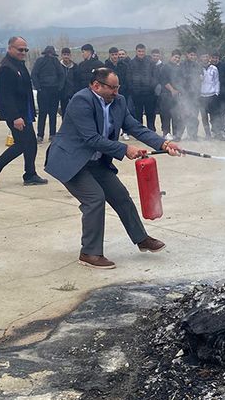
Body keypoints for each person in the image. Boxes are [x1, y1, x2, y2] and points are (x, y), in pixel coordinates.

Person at [44, 67, 182, 269]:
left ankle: (141, 238)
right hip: (71, 161)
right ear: (96, 85)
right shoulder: (81, 101)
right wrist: (124, 148)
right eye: (112, 88)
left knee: (121, 196)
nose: (116, 92)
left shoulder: (119, 101)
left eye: (118, 87)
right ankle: (89, 253)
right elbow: (91, 138)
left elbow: (135, 127)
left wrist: (163, 145)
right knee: (94, 199)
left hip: (96, 162)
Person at [0, 36, 48, 188]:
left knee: (31, 144)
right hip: (16, 114)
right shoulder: (6, 68)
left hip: (25, 112)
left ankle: (30, 175)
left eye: (25, 50)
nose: (23, 52)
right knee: (22, 144)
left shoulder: (19, 65)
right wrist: (15, 116)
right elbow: (6, 95)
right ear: (10, 48)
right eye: (20, 49)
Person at [32, 45, 65, 142]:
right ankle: (40, 135)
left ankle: (52, 134)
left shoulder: (56, 62)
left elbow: (61, 75)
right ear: (45, 53)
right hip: (43, 90)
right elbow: (34, 74)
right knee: (42, 114)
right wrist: (38, 87)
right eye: (48, 53)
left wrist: (59, 87)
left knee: (53, 114)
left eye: (51, 53)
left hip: (54, 91)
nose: (50, 55)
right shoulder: (40, 61)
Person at [127, 43, 158, 131]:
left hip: (149, 93)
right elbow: (128, 78)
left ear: (145, 52)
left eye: (143, 51)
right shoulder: (131, 63)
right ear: (136, 52)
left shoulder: (151, 63)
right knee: (138, 114)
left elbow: (155, 76)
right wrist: (133, 90)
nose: (141, 53)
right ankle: (140, 131)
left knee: (150, 113)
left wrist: (152, 87)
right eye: (139, 51)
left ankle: (151, 130)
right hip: (137, 94)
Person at [199, 52, 221, 138]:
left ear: (209, 58)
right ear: (200, 58)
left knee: (214, 116)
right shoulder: (198, 68)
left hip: (212, 95)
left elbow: (216, 81)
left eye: (206, 56)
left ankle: (215, 132)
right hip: (202, 96)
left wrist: (216, 92)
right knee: (204, 117)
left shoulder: (214, 68)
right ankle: (207, 134)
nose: (205, 58)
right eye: (203, 57)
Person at [59, 47, 82, 117]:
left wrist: (76, 90)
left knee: (74, 111)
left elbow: (78, 80)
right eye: (64, 54)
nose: (66, 56)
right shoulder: (58, 66)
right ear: (61, 55)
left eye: (67, 55)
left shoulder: (75, 67)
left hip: (73, 93)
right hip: (62, 93)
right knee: (64, 112)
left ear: (70, 55)